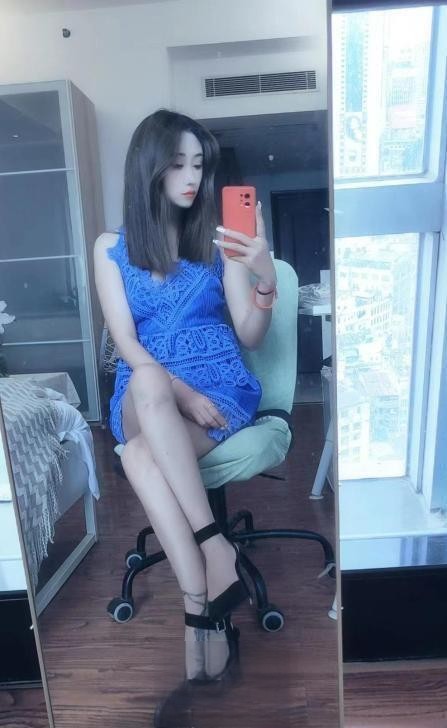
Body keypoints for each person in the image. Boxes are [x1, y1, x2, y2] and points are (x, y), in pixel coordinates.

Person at [94, 109, 277, 688]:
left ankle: (199, 608)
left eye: (198, 164)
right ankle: (215, 546)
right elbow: (125, 342)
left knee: (139, 456)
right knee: (148, 379)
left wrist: (265, 277)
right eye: (177, 163)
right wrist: (179, 390)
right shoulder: (110, 248)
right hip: (147, 389)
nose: (191, 176)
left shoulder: (218, 242)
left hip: (220, 382)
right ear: (148, 168)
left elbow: (251, 335)